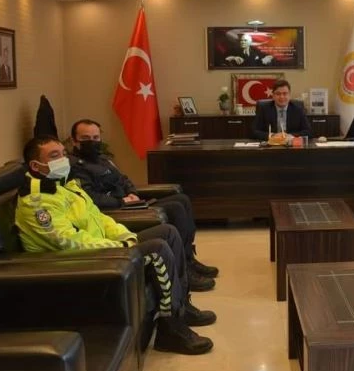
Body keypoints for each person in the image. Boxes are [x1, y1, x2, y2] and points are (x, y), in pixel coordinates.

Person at [15, 135, 217, 355]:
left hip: (105, 248)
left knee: (168, 232)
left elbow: (100, 219)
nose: (63, 160)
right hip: (78, 261)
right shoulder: (36, 201)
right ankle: (171, 330)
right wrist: (117, 245)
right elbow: (67, 241)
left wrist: (125, 236)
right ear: (35, 165)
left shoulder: (65, 186)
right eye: (54, 156)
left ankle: (181, 308)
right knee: (157, 249)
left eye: (64, 154)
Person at [67, 119, 218, 292]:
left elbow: (123, 179)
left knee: (181, 199)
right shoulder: (75, 166)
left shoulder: (103, 159)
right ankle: (185, 272)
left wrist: (132, 192)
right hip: (115, 209)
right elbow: (90, 197)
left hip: (129, 201)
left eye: (96, 137)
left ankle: (188, 259)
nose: (92, 142)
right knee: (175, 208)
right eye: (86, 138)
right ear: (74, 141)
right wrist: (121, 201)